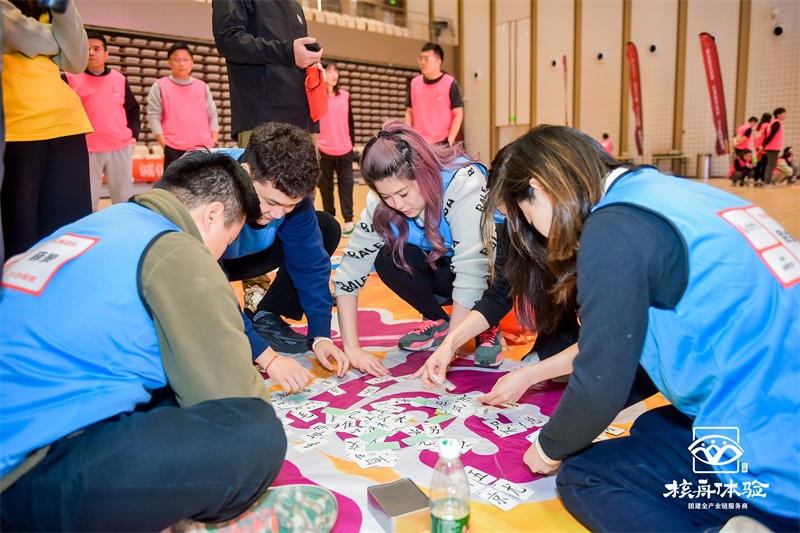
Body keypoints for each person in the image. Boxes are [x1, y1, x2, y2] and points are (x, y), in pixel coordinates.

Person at [482, 125, 799, 532]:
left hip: (777, 459)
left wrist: (548, 447)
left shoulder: (613, 229)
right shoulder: (658, 192)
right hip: (777, 403)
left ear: (539, 189)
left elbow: (603, 379)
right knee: (651, 427)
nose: (536, 233)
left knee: (583, 475)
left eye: (528, 217)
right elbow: (641, 356)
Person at [0, 152, 288, 530]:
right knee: (256, 433)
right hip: (28, 481)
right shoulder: (175, 247)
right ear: (212, 215)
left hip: (22, 440)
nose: (219, 256)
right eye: (228, 240)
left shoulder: (101, 222)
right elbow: (234, 401)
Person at [332, 120, 502, 376]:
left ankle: (486, 321)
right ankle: (437, 319)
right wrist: (352, 348)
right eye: (386, 196)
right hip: (441, 267)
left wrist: (448, 348)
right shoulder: (380, 201)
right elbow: (350, 273)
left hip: (487, 273)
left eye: (403, 194)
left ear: (424, 174)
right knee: (384, 254)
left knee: (485, 264)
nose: (396, 204)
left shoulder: (463, 182)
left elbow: (473, 269)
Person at [219, 122, 348, 380]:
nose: (278, 214)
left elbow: (310, 263)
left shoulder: (289, 194)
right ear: (246, 173)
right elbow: (208, 286)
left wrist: (320, 335)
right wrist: (264, 355)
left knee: (325, 228)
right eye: (271, 202)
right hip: (200, 262)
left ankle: (266, 316)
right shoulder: (210, 189)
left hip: (246, 255)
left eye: (289, 206)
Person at [1, 0, 92, 258]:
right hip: (17, 126)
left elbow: (77, 59)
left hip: (67, 124)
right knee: (19, 245)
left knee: (69, 239)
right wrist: (57, 43)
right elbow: (12, 32)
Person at [212, 0, 323, 147]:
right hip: (264, 122)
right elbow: (229, 40)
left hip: (305, 125)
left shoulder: (295, 7)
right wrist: (288, 52)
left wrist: (310, 62)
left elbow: (294, 52)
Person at [66, 30, 140, 211]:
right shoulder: (69, 78)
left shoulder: (120, 79)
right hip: (86, 149)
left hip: (119, 148)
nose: (91, 52)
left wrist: (134, 135)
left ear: (106, 54)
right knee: (86, 201)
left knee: (124, 200)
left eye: (96, 48)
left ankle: (126, 226)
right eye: (87, 48)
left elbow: (133, 110)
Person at [146, 42, 218, 170]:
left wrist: (214, 141)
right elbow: (154, 117)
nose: (181, 63)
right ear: (169, 62)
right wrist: (165, 145)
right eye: (177, 59)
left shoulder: (202, 86)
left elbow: (212, 114)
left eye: (185, 59)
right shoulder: (160, 86)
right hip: (174, 149)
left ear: (192, 62)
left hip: (204, 148)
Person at [318, 60, 356, 236]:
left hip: (344, 150)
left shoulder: (345, 96)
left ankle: (349, 222)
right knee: (326, 189)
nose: (333, 75)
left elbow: (350, 122)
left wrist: (351, 144)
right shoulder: (317, 97)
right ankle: (330, 221)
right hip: (324, 151)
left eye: (335, 71)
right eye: (329, 71)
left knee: (346, 187)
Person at [404, 42, 464, 147]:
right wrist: (409, 136)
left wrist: (449, 141)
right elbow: (409, 112)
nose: (422, 62)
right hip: (419, 143)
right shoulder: (414, 83)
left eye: (426, 59)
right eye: (420, 59)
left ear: (438, 62)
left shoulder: (450, 83)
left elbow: (458, 114)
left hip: (442, 143)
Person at [761, 106, 786, 185]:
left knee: (770, 164)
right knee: (771, 165)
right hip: (773, 147)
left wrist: (765, 143)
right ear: (778, 115)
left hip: (771, 147)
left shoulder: (773, 123)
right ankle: (767, 182)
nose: (785, 115)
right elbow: (772, 134)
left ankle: (767, 181)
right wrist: (765, 143)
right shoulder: (776, 123)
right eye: (783, 113)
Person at [752, 112, 772, 185]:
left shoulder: (757, 127)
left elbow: (755, 138)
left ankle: (755, 179)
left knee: (757, 165)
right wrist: (763, 146)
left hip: (757, 150)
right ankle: (763, 180)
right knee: (764, 165)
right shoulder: (768, 125)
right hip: (764, 150)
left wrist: (757, 147)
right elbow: (767, 137)